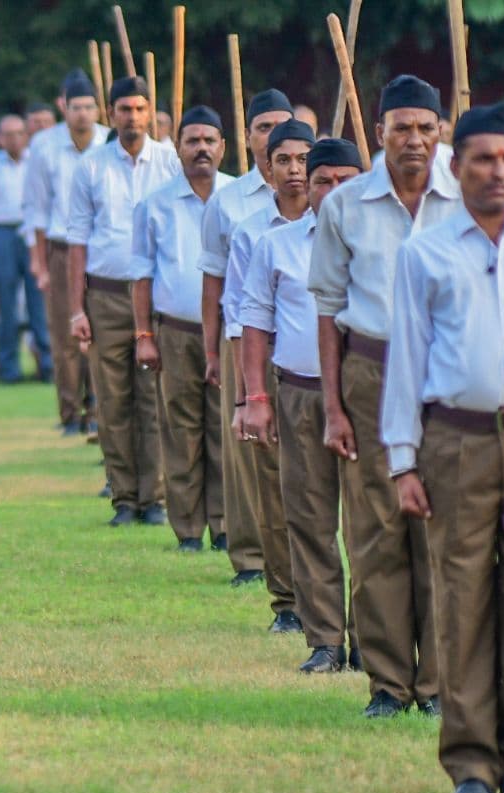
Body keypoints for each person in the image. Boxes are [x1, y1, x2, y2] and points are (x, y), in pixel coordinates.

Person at [383, 104, 504, 793]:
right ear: (457, 164)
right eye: (484, 159)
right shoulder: (426, 252)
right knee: (463, 599)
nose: (498, 171)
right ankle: (472, 762)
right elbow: (404, 359)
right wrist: (403, 461)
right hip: (457, 440)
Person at [308, 74, 459, 719]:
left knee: (442, 531)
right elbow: (326, 310)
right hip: (369, 372)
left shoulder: (468, 197)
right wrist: (334, 407)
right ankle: (389, 686)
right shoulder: (347, 205)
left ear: (443, 131)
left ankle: (435, 686)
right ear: (379, 133)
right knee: (374, 531)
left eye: (427, 127)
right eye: (403, 127)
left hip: (447, 380)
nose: (416, 140)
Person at [240, 138, 364, 672]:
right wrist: (257, 399)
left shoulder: (386, 245)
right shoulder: (277, 244)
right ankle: (325, 640)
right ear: (303, 187)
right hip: (300, 393)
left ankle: (372, 640)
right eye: (323, 181)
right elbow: (254, 323)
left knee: (370, 525)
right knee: (309, 517)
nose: (334, 192)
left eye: (345, 182)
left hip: (366, 397)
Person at [67, 76, 179, 526]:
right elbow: (76, 240)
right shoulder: (90, 167)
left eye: (139, 109)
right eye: (123, 109)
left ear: (150, 113)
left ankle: (154, 498)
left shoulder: (171, 162)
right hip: (107, 294)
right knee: (111, 401)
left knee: (153, 398)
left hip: (155, 295)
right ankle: (124, 498)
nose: (131, 117)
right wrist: (77, 308)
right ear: (109, 114)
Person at [220, 119, 316, 634]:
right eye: (284, 160)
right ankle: (287, 600)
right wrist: (248, 394)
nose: (295, 170)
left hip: (324, 368)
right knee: (276, 485)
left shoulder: (338, 225)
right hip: (270, 364)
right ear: (268, 167)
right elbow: (240, 317)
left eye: (304, 159)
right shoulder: (252, 231)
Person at [199, 88, 294, 588]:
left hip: (298, 337)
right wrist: (213, 350)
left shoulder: (315, 192)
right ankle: (250, 556)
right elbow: (213, 281)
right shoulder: (228, 200)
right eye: (264, 128)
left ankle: (295, 553)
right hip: (243, 337)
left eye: (283, 125)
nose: (273, 135)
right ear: (249, 137)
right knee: (244, 449)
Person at [130, 106, 231, 550]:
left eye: (210, 140)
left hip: (231, 335)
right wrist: (144, 335)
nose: (202, 148)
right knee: (181, 429)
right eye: (193, 140)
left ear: (224, 147)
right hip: (175, 331)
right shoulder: (155, 205)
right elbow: (141, 274)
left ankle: (227, 526)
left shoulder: (239, 199)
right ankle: (188, 529)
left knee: (225, 430)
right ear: (178, 147)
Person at [25, 69, 106, 436]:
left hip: (101, 249)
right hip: (59, 248)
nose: (83, 114)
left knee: (102, 331)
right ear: (64, 107)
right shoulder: (44, 147)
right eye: (76, 107)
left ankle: (98, 410)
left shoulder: (109, 143)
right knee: (64, 332)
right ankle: (70, 411)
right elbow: (37, 210)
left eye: (89, 106)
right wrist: (39, 263)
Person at [0, 113, 51, 383]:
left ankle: (47, 365)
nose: (13, 139)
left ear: (26, 136)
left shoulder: (36, 161)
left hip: (32, 233)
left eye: (18, 133)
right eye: (7, 134)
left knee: (38, 298)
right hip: (1, 233)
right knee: (5, 302)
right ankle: (8, 369)